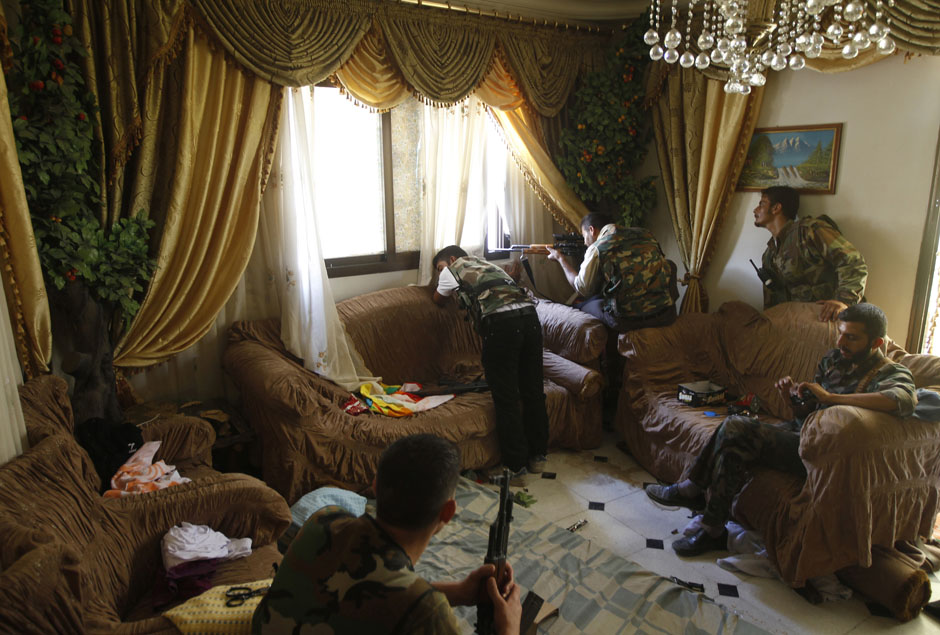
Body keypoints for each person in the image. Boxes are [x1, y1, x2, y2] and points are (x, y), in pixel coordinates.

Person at [645, 303, 916, 557]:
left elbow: (903, 400)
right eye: (841, 335)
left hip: (822, 454)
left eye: (851, 338)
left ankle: (692, 489)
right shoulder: (834, 359)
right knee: (734, 441)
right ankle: (711, 527)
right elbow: (806, 412)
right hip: (800, 432)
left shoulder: (890, 372)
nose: (841, 343)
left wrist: (831, 398)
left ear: (876, 343)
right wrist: (793, 397)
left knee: (736, 426)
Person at [252, 434, 522, 634]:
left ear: (375, 486)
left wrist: (460, 593)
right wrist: (508, 629)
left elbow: (366, 592)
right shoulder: (428, 613)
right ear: (447, 512)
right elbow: (396, 598)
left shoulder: (325, 520)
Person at [432, 245, 549, 479]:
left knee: (506, 396)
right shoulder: (488, 264)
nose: (439, 273)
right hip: (530, 319)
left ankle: (515, 468)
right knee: (533, 390)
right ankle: (538, 457)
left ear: (452, 258)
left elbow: (438, 299)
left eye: (439, 267)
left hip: (501, 325)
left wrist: (442, 280)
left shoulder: (452, 269)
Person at [546, 212, 676, 332]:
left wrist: (560, 259)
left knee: (582, 307)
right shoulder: (646, 234)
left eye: (585, 236)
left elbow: (581, 289)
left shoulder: (597, 247)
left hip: (628, 321)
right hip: (666, 314)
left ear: (591, 230)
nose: (585, 243)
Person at [753, 185, 868, 321]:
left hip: (830, 319)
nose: (755, 210)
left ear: (776, 208)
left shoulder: (809, 231)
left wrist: (844, 302)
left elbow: (852, 261)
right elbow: (771, 299)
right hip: (798, 324)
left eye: (762, 204)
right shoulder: (769, 255)